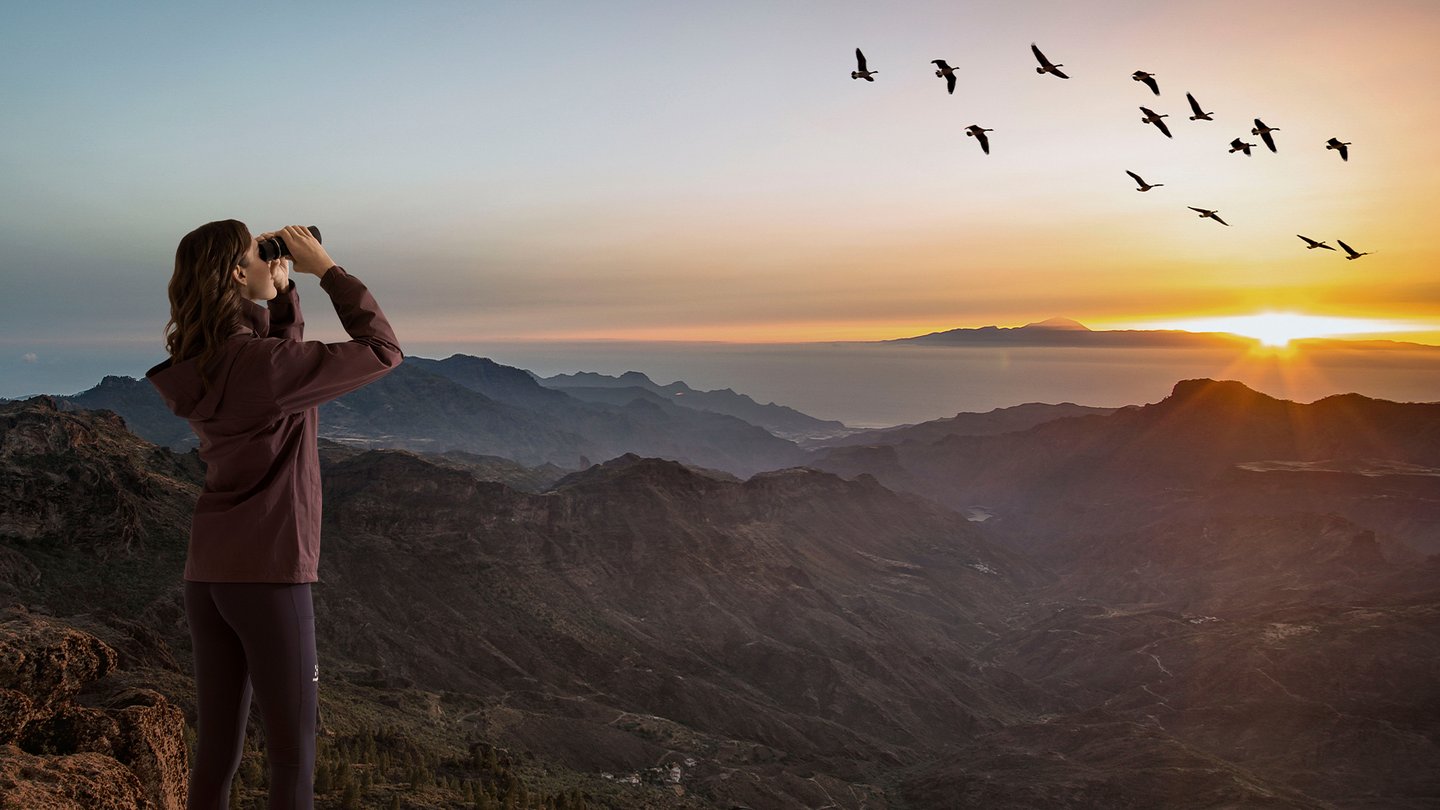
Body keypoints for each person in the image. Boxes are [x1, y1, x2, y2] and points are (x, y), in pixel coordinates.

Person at [146, 221, 403, 809]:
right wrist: (327, 271)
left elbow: (271, 361)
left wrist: (285, 294)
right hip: (268, 575)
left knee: (217, 752)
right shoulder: (261, 369)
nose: (269, 259)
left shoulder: (202, 360)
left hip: (208, 574)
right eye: (256, 256)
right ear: (239, 273)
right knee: (293, 754)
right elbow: (383, 351)